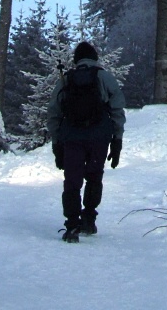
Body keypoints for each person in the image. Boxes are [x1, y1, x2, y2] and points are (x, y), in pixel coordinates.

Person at [47, 40, 126, 243]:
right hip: (99, 137)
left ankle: (72, 225)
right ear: (95, 58)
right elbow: (117, 110)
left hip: (72, 137)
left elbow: (54, 113)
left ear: (76, 60)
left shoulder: (67, 79)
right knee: (94, 176)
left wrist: (57, 143)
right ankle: (89, 219)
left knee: (72, 180)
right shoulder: (104, 77)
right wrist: (117, 140)